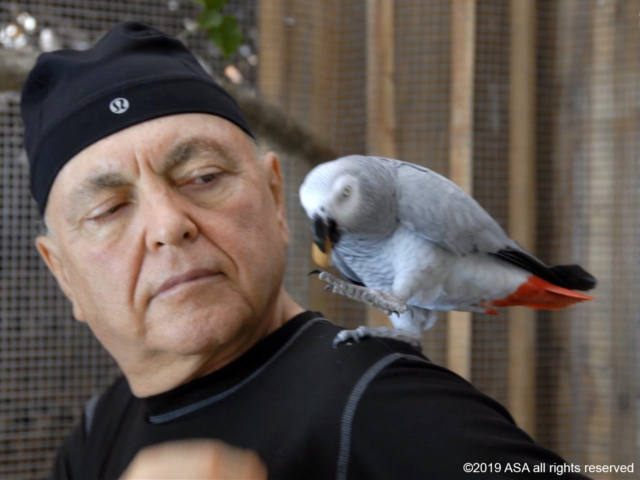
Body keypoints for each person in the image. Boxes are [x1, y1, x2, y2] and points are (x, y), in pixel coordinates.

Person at [20, 21, 592, 479]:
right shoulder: (98, 431)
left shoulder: (385, 408)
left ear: (274, 199)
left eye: (202, 176)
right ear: (62, 273)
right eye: (109, 210)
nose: (169, 225)